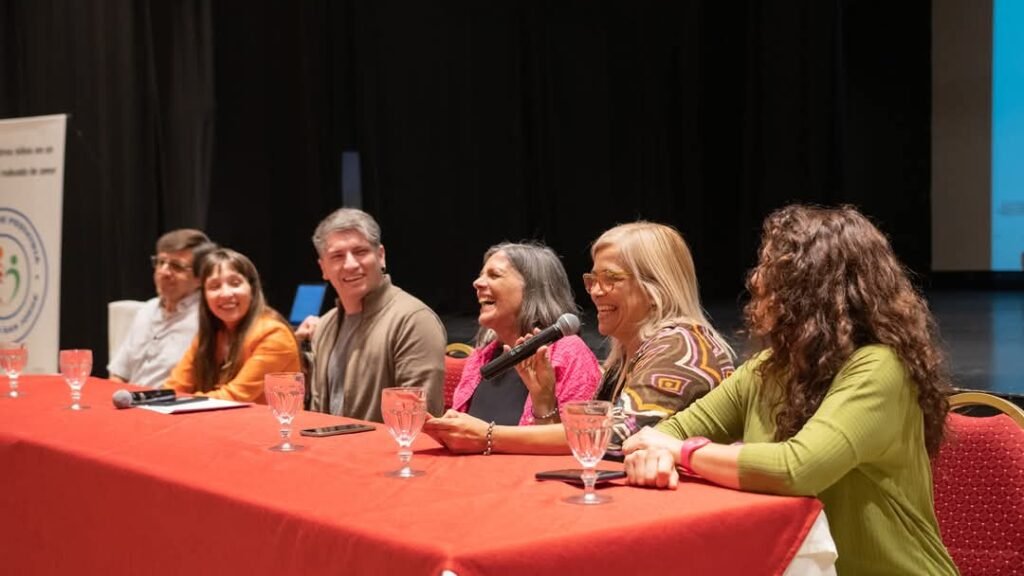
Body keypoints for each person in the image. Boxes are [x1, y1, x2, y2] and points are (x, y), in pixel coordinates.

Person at [622, 205, 957, 575]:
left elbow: (798, 469)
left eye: (772, 267)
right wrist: (654, 454)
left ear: (813, 287)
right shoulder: (768, 369)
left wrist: (682, 452)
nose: (756, 280)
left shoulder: (880, 367)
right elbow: (667, 432)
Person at [424, 222, 734, 455]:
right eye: (592, 279)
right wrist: (544, 400)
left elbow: (611, 437)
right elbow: (578, 453)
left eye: (610, 279)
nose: (595, 291)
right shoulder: (626, 356)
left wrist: (488, 436)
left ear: (657, 287)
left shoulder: (682, 347)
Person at [306, 208, 446, 422]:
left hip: (389, 445)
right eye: (337, 256)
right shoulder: (324, 326)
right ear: (323, 268)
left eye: (360, 251)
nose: (351, 264)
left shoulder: (414, 320)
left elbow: (417, 421)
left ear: (381, 256)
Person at [449, 242, 602, 426]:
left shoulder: (570, 354)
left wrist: (487, 436)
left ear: (532, 289)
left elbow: (577, 436)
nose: (477, 283)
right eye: (481, 275)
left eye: (494, 275)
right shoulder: (481, 358)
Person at [164, 248, 301, 403]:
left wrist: (178, 401)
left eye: (235, 284)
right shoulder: (209, 335)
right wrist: (158, 400)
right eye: (215, 286)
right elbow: (175, 386)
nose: (226, 294)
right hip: (214, 415)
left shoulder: (274, 334)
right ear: (204, 296)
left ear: (252, 289)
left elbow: (235, 397)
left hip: (268, 419)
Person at [108, 228, 210, 388]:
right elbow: (119, 374)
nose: (163, 272)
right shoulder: (147, 310)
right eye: (161, 262)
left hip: (172, 401)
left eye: (176, 266)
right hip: (128, 399)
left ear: (200, 278)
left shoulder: (207, 318)